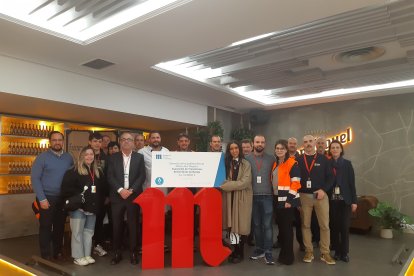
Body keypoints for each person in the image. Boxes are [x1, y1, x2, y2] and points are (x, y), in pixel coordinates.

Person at [31, 131, 74, 260]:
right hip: (46, 198)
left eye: (59, 140)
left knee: (59, 226)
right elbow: (35, 179)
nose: (57, 142)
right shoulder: (42, 157)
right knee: (45, 226)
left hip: (62, 198)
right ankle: (45, 254)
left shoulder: (68, 157)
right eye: (54, 140)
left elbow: (72, 177)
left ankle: (57, 251)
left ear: (63, 141)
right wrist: (42, 198)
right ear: (50, 142)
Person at [61, 146, 104, 266]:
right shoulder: (73, 171)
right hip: (78, 208)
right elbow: (66, 190)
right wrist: (78, 201)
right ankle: (77, 256)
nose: (89, 156)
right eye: (86, 154)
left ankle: (87, 254)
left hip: (92, 208)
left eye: (91, 154)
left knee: (89, 232)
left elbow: (101, 190)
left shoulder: (97, 171)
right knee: (77, 232)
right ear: (81, 156)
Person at [107, 132, 146, 265]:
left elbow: (142, 176)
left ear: (133, 142)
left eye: (129, 139)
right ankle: (117, 252)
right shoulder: (113, 158)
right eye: (123, 139)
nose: (126, 141)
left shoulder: (139, 157)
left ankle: (133, 252)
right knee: (116, 225)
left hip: (133, 196)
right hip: (117, 197)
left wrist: (131, 190)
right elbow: (110, 176)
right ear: (119, 142)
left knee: (133, 225)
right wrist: (120, 190)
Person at [297, 135, 335, 264]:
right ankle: (309, 251)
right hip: (303, 196)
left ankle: (325, 253)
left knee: (324, 225)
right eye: (305, 142)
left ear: (315, 143)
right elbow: (294, 179)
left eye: (310, 141)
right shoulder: (298, 159)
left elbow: (331, 178)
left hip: (321, 196)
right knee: (305, 225)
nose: (308, 144)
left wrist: (323, 190)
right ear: (303, 144)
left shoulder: (324, 159)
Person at [220, 141, 252, 263]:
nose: (234, 151)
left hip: (241, 198)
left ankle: (240, 252)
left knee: (240, 226)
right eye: (231, 148)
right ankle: (235, 251)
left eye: (236, 148)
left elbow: (245, 182)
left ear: (239, 149)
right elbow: (223, 180)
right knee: (232, 226)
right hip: (229, 198)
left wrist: (227, 185)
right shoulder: (226, 163)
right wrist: (229, 185)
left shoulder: (246, 164)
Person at [246, 135, 276, 265]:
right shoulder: (246, 159)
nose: (260, 144)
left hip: (267, 196)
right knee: (257, 225)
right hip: (252, 196)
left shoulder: (272, 159)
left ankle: (268, 251)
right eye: (257, 142)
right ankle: (259, 249)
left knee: (267, 225)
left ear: (265, 144)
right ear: (253, 144)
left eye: (262, 142)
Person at [271, 140, 301, 265]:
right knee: (282, 230)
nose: (279, 150)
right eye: (277, 148)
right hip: (277, 200)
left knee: (287, 230)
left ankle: (288, 257)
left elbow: (296, 183)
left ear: (286, 150)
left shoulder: (292, 163)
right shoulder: (276, 163)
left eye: (282, 148)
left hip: (287, 202)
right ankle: (283, 254)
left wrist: (289, 200)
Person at [328, 140, 357, 263]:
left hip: (345, 200)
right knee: (334, 227)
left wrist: (354, 201)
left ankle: (345, 253)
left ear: (341, 150)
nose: (335, 149)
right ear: (330, 150)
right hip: (332, 201)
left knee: (344, 227)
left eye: (337, 147)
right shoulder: (327, 164)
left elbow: (352, 184)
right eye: (332, 147)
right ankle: (337, 251)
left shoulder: (347, 164)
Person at [88, 132, 109, 257]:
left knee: (99, 222)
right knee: (87, 222)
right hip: (87, 196)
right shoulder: (85, 155)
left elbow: (108, 178)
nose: (97, 144)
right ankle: (86, 247)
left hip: (101, 196)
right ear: (90, 142)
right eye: (95, 141)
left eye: (99, 141)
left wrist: (107, 196)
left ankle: (97, 245)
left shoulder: (105, 157)